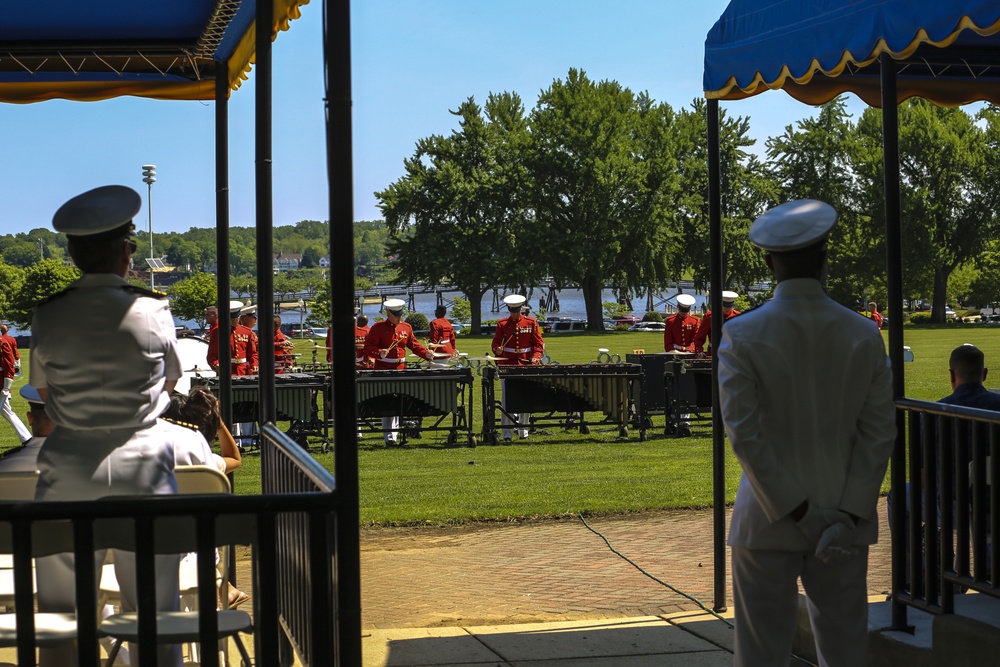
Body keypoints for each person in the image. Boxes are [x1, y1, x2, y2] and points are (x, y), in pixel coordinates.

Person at [717, 199, 895, 667]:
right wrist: (846, 514)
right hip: (844, 520)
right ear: (824, 255)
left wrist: (799, 513)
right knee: (845, 653)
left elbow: (746, 437)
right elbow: (879, 434)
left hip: (768, 520)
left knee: (760, 656)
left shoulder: (743, 334)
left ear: (769, 261)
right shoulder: (862, 333)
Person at [30, 184, 187, 667]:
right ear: (125, 251)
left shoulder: (48, 314)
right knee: (155, 609)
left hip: (69, 467)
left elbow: (47, 397)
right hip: (144, 466)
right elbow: (172, 382)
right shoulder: (153, 309)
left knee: (60, 611)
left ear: (74, 254)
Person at [163, 387, 249, 608]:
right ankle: (223, 586)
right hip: (194, 549)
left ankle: (224, 586)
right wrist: (218, 422)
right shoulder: (198, 449)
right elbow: (234, 458)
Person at [362, 299, 433, 444]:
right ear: (388, 313)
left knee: (400, 401)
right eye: (396, 315)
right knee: (388, 403)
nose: (399, 317)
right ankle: (390, 438)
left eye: (400, 314)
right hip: (383, 369)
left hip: (401, 369)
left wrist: (426, 354)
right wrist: (378, 352)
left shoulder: (406, 327)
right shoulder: (377, 328)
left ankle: (405, 429)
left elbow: (414, 345)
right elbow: (367, 348)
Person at [491, 294, 545, 442]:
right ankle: (507, 434)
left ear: (521, 309)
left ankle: (523, 431)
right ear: (509, 310)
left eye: (517, 311)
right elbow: (495, 343)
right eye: (512, 311)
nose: (514, 314)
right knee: (507, 400)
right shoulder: (502, 324)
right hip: (507, 364)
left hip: (525, 364)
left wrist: (536, 357)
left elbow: (538, 344)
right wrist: (497, 350)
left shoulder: (531, 322)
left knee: (525, 398)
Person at [207, 300, 258, 376]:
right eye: (232, 319)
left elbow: (253, 354)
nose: (235, 321)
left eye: (236, 318)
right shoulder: (217, 332)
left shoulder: (247, 332)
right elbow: (212, 355)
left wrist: (254, 365)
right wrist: (216, 365)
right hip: (226, 372)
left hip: (243, 372)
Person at [0, 323, 30, 445]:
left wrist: (7, 386)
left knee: (5, 410)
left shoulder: (3, 342)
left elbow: (8, 366)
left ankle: (26, 438)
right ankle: (26, 437)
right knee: (5, 410)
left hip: (1, 381)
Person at [693, 290, 740, 357]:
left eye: (729, 306)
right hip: (714, 353)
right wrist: (699, 351)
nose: (727, 309)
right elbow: (699, 337)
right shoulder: (710, 317)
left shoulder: (738, 316)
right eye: (725, 306)